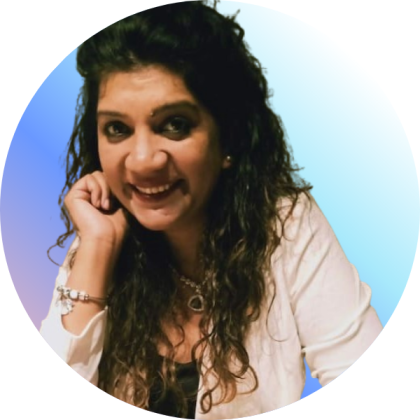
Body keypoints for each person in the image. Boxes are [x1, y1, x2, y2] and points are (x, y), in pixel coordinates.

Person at [40, 1, 383, 419]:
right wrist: (97, 247)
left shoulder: (286, 224)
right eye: (117, 129)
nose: (143, 160)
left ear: (229, 137)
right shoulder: (102, 230)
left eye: (175, 124)